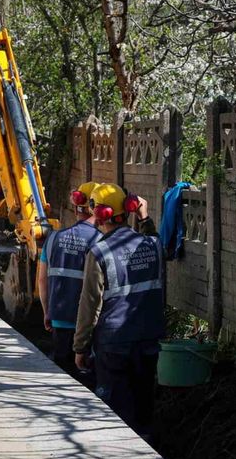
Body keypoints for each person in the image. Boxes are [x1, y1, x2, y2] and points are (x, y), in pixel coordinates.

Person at [73, 183, 164, 439]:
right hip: (148, 339)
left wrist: (80, 347)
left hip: (114, 344)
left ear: (99, 213)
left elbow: (90, 304)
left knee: (115, 410)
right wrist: (144, 217)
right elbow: (153, 237)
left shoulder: (99, 252)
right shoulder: (153, 246)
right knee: (143, 404)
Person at [37, 181, 101, 383]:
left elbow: (42, 280)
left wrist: (47, 311)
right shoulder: (101, 242)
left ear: (75, 208)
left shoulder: (53, 239)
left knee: (63, 377)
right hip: (90, 325)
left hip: (59, 318)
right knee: (88, 379)